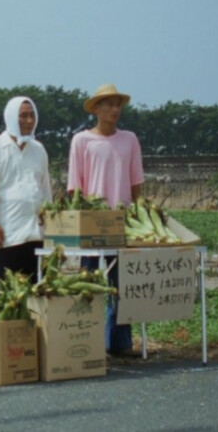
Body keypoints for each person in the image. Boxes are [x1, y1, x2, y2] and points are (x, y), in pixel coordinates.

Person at [67, 83, 144, 357]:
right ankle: (84, 338)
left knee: (121, 283)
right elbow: (75, 186)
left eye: (117, 104)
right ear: (96, 109)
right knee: (87, 279)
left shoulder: (129, 140)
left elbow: (136, 183)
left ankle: (119, 343)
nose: (114, 109)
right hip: (92, 219)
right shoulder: (82, 141)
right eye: (108, 104)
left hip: (121, 220)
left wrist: (138, 213)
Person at [0, 95, 52, 286]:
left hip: (36, 236)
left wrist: (49, 218)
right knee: (5, 298)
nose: (29, 121)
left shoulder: (39, 150)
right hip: (7, 236)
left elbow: (45, 189)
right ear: (11, 117)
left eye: (32, 116)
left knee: (37, 297)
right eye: (23, 116)